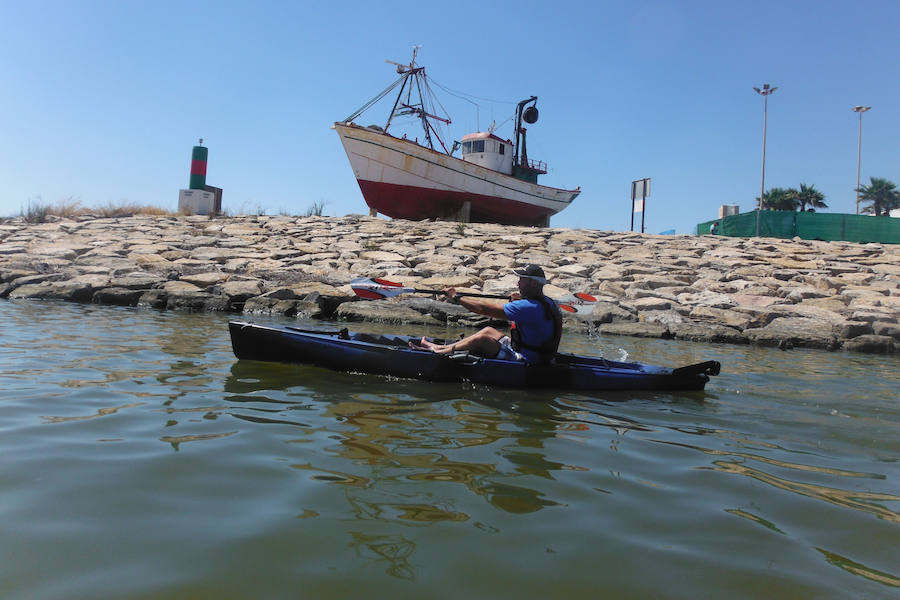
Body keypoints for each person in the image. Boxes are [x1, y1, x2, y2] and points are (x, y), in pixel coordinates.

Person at [411, 264, 562, 364]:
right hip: (536, 353)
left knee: (483, 340)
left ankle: (439, 353)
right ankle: (441, 348)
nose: (518, 284)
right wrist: (516, 302)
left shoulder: (529, 307)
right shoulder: (548, 302)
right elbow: (529, 321)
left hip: (528, 359)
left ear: (534, 284)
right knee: (489, 330)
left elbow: (483, 309)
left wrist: (456, 298)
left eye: (522, 280)